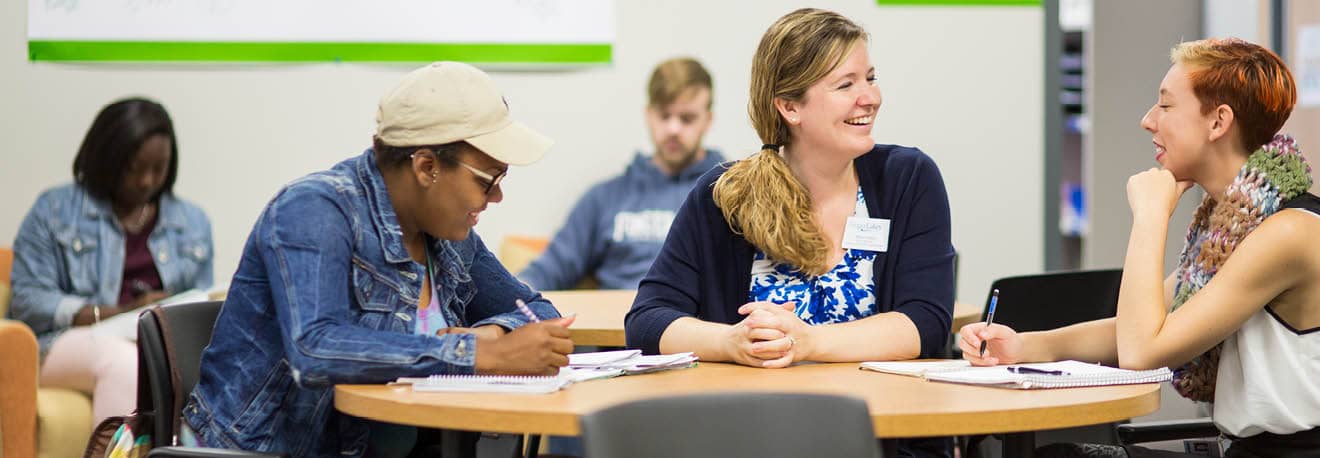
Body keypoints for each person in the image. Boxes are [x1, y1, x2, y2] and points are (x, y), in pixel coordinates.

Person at [184, 62, 575, 457]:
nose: (496, 198)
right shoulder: (314, 211)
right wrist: (480, 355)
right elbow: (317, 349)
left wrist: (493, 335)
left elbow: (538, 312)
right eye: (488, 180)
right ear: (427, 166)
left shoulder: (448, 235)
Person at [959, 38, 1319, 457]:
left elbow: (1141, 351)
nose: (1148, 120)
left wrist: (1150, 216)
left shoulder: (1288, 232)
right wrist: (1025, 346)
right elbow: (1139, 327)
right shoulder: (1232, 226)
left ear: (1218, 122)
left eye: (1165, 106)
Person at [625, 9, 954, 457]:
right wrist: (729, 342)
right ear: (790, 106)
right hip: (749, 439)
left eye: (870, 78)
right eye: (846, 85)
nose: (870, 98)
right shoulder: (724, 195)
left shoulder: (907, 178)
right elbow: (646, 322)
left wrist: (811, 342)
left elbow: (926, 322)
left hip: (884, 440)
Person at [8, 97, 213, 426]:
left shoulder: (192, 222)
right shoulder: (54, 211)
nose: (147, 180)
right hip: (60, 344)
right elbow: (29, 301)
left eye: (158, 168)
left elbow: (198, 308)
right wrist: (123, 313)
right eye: (135, 168)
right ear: (107, 158)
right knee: (122, 361)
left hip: (156, 347)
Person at [518, 57, 725, 291]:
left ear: (708, 120)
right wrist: (509, 295)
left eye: (687, 118)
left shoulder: (730, 194)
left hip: (697, 322)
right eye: (664, 116)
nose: (673, 129)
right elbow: (550, 269)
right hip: (619, 322)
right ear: (648, 115)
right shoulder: (605, 198)